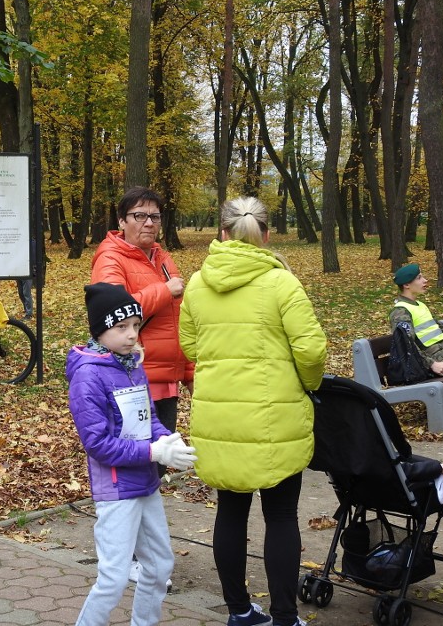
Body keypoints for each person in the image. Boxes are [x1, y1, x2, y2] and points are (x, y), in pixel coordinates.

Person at [178, 197, 327, 626]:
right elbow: (311, 349)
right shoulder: (281, 283)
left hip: (220, 419)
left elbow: (191, 346)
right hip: (274, 419)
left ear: (221, 233)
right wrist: (308, 383)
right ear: (266, 235)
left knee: (230, 510)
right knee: (280, 515)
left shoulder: (198, 284)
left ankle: (240, 611)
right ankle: (284, 617)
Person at [67, 282, 197, 626]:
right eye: (121, 327)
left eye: (136, 326)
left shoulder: (131, 363)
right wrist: (155, 451)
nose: (131, 335)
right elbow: (98, 444)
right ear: (100, 329)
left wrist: (168, 441)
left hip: (145, 482)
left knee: (158, 567)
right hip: (116, 490)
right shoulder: (87, 376)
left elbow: (149, 419)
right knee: (113, 578)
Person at [91, 187, 193, 437]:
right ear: (121, 221)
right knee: (138, 462)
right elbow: (114, 312)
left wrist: (189, 372)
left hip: (166, 381)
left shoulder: (162, 258)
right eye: (139, 216)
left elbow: (179, 319)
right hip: (132, 379)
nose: (148, 223)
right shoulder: (110, 258)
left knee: (157, 463)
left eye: (155, 217)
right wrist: (165, 290)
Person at [389, 263, 443, 376]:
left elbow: (436, 328)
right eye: (419, 278)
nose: (425, 280)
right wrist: (431, 364)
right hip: (435, 358)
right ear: (407, 284)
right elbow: (405, 344)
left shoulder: (419, 305)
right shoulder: (400, 312)